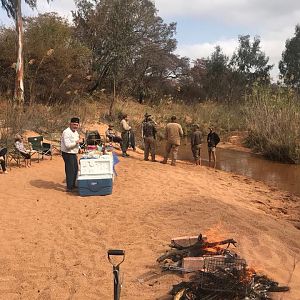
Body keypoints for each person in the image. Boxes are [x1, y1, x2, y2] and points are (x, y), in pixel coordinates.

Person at [61, 117, 82, 192]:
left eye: (77, 125)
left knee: (75, 169)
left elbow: (77, 141)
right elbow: (67, 145)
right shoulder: (66, 132)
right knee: (70, 170)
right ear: (70, 124)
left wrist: (79, 147)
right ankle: (69, 187)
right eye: (74, 124)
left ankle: (73, 185)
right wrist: (76, 143)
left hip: (73, 152)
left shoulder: (76, 132)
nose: (75, 126)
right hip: (67, 153)